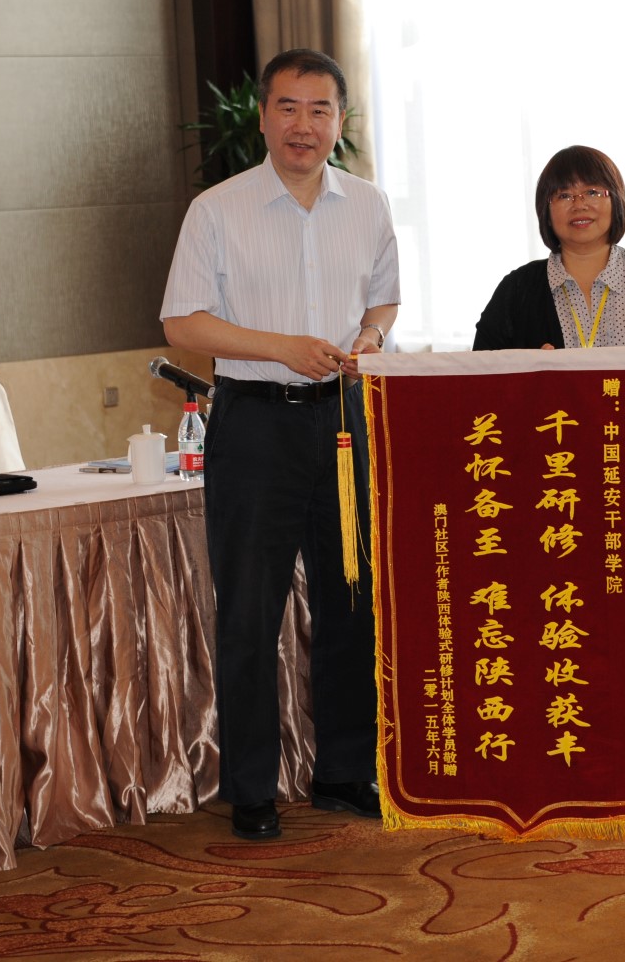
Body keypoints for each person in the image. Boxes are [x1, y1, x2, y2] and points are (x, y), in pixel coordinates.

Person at [160, 48, 399, 840]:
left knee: (352, 600)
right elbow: (181, 322)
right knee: (250, 609)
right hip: (255, 422)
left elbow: (383, 302)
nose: (304, 125)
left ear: (340, 121)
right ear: (262, 116)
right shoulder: (217, 209)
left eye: (319, 110)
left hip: (345, 421)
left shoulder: (367, 205)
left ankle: (343, 773)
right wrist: (280, 347)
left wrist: (368, 338)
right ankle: (252, 787)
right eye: (288, 108)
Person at [473, 146, 625, 572]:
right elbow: (480, 376)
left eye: (593, 192)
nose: (579, 204)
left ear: (615, 202)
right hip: (551, 468)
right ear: (546, 211)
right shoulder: (518, 288)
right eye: (563, 195)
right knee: (560, 580)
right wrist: (525, 374)